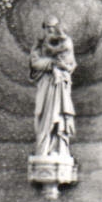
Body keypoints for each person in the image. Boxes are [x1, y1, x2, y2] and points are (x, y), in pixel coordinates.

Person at [29, 17, 77, 161]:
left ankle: (60, 149)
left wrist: (63, 66)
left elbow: (71, 63)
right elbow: (35, 63)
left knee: (60, 115)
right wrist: (52, 63)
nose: (50, 31)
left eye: (53, 28)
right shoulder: (38, 46)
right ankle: (43, 150)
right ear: (43, 29)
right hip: (46, 84)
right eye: (47, 28)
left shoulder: (65, 42)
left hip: (60, 84)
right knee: (42, 114)